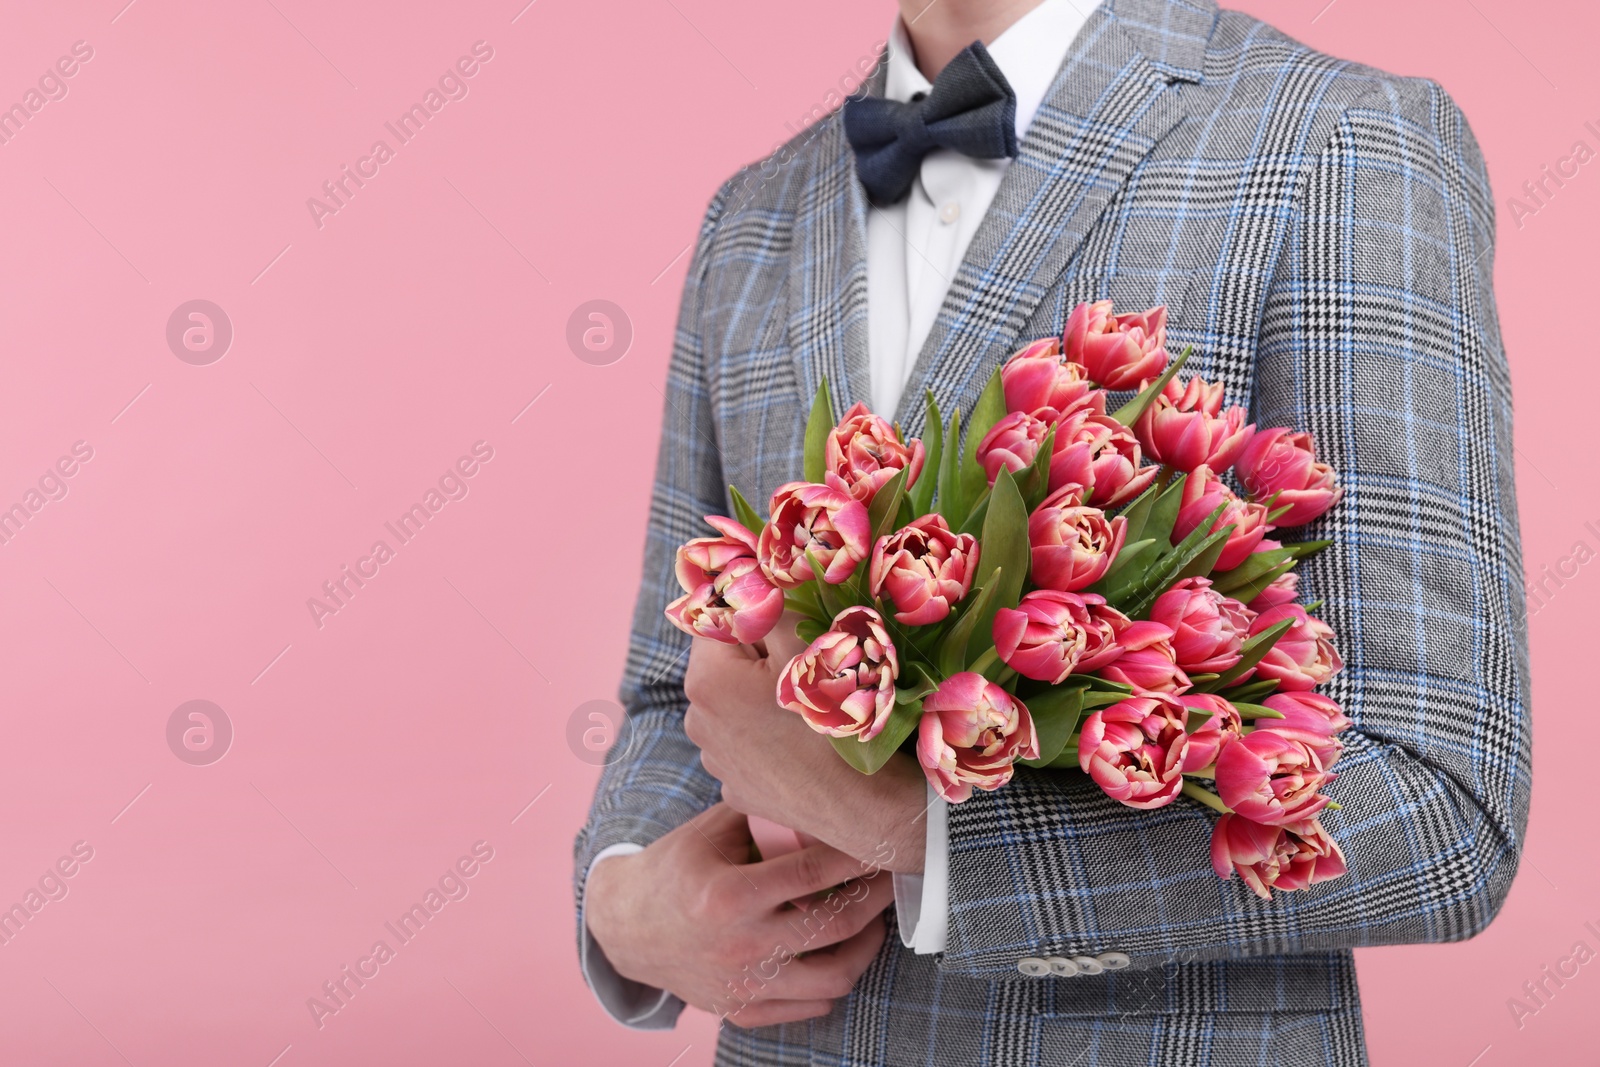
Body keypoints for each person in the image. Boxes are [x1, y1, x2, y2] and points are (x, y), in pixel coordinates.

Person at [575, 0, 1529, 1063]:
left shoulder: (1335, 139)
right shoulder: (752, 216)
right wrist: (622, 899)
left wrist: (927, 843)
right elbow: (676, 688)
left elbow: (1443, 804)